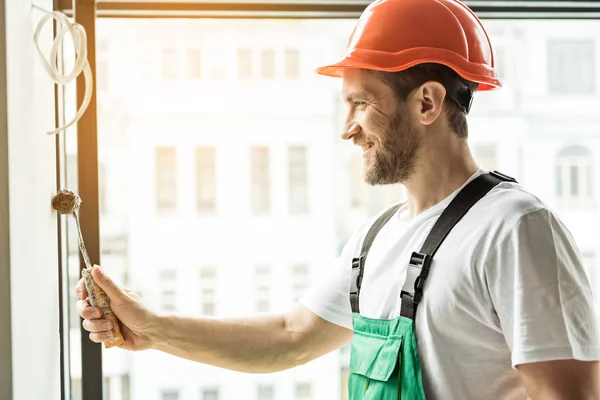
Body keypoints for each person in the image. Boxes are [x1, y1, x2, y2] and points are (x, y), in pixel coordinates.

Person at [76, 0, 600, 398]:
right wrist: (153, 330)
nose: (346, 130)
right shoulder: (378, 238)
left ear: (427, 102)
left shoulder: (515, 229)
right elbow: (289, 337)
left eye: (360, 104)